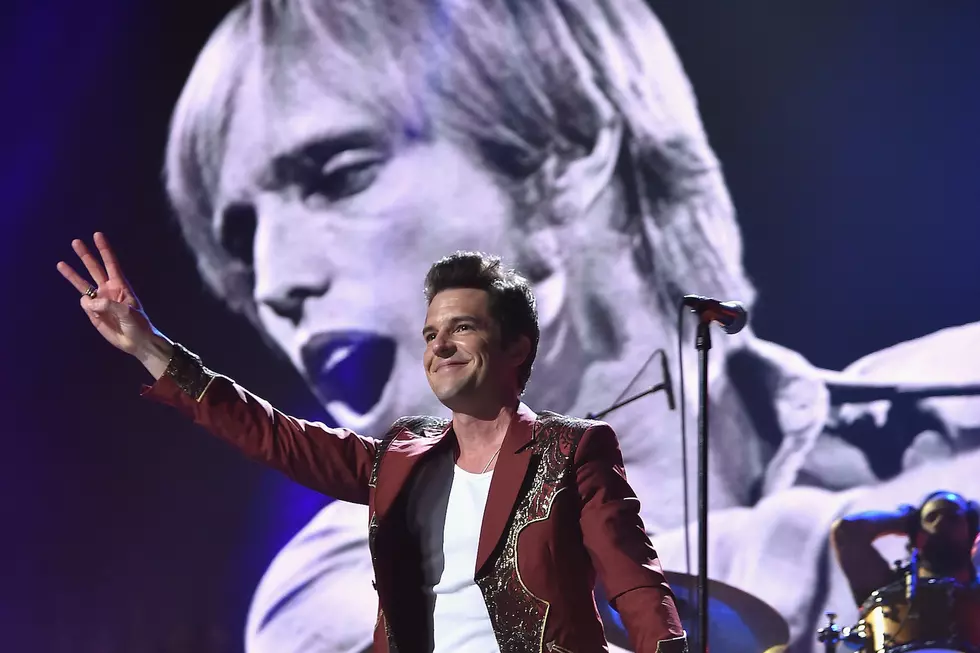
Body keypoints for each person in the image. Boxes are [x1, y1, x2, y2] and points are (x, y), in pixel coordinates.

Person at [157, 0, 980, 650]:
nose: (275, 279)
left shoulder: (959, 386)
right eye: (239, 237)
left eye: (339, 175)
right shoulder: (338, 585)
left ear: (567, 156)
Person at [56, 235, 688, 653]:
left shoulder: (574, 450)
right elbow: (274, 435)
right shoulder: (400, 458)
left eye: (461, 327)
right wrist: (147, 346)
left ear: (517, 348)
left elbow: (636, 585)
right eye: (430, 331)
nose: (437, 345)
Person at [831, 491, 980, 606]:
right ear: (917, 533)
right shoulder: (888, 589)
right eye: (931, 518)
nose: (940, 523)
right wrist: (904, 520)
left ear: (972, 531)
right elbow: (847, 531)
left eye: (952, 517)